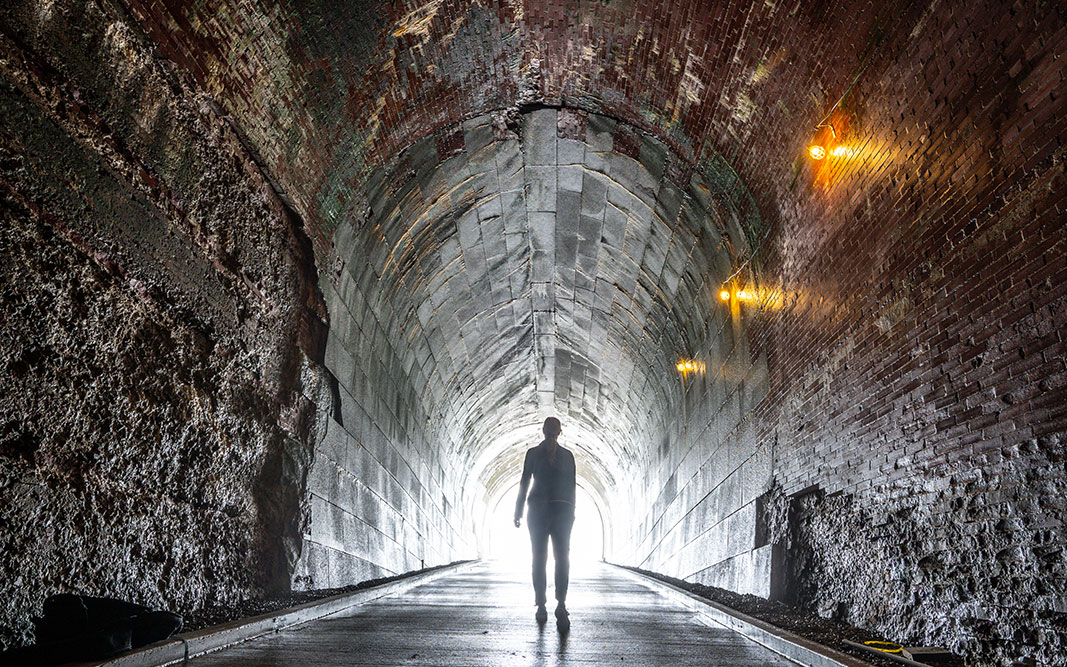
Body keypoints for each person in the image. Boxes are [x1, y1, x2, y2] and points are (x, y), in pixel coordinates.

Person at [514, 417, 576, 629]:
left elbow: (525, 482)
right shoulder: (566, 456)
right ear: (559, 432)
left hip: (541, 512)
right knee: (561, 558)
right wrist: (571, 513)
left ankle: (543, 605)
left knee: (540, 558)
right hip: (559, 512)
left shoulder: (534, 453)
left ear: (545, 431)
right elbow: (571, 487)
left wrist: (519, 511)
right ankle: (559, 602)